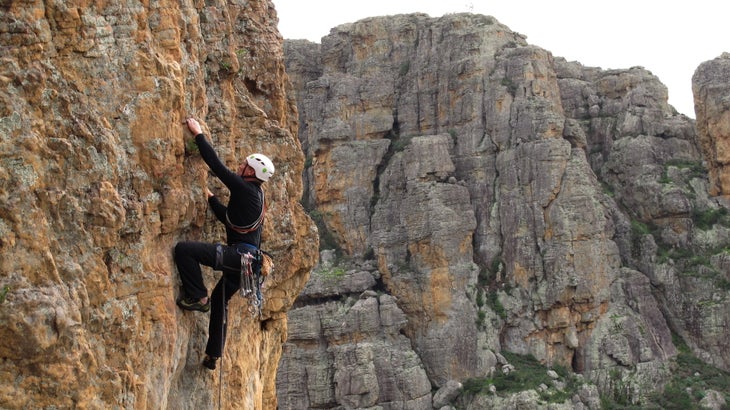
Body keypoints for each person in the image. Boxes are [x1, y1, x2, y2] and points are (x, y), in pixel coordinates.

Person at [175, 117, 275, 370]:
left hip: (239, 258)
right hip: (246, 264)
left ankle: (197, 297)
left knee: (184, 250)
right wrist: (211, 200)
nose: (240, 166)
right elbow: (232, 222)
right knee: (221, 301)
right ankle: (213, 355)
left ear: (250, 172)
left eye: (244, 164)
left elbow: (217, 166)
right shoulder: (257, 195)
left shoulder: (245, 188)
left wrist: (198, 134)